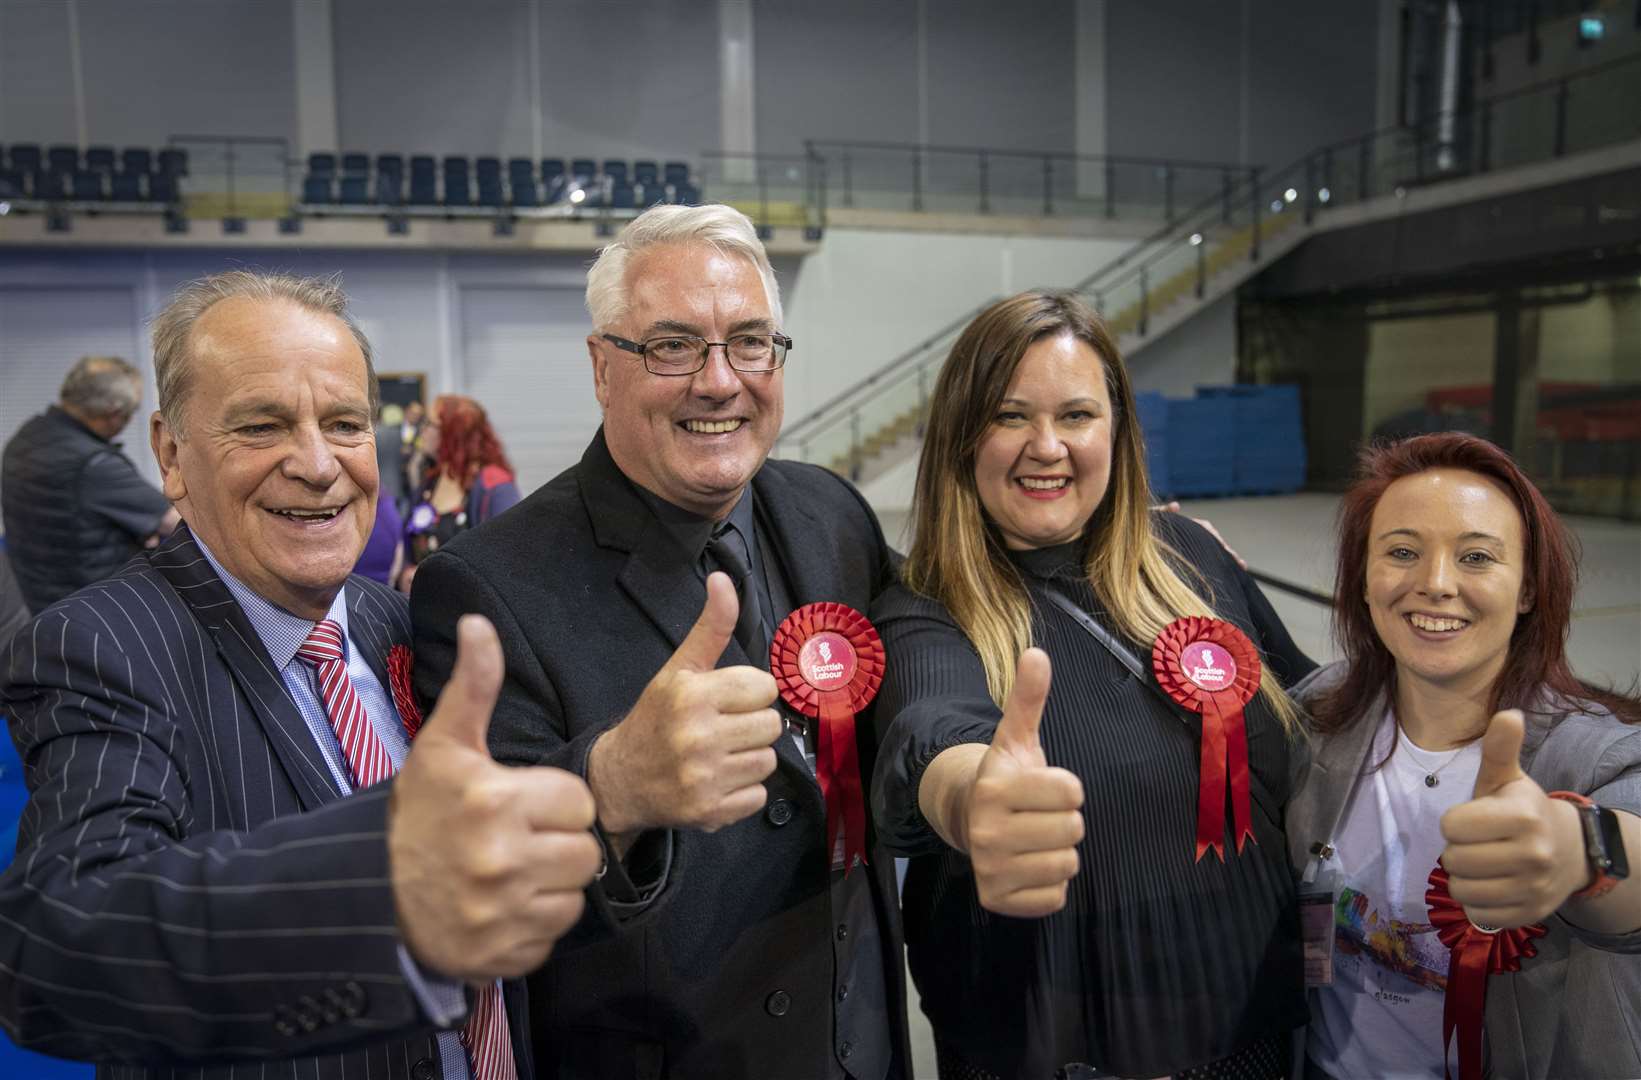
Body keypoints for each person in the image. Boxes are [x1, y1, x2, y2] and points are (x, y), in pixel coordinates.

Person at [0, 271, 602, 1080]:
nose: (318, 465)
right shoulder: (102, 645)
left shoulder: (395, 618)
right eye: (261, 426)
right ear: (171, 455)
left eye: (345, 423)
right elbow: (57, 945)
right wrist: (387, 903)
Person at [410, 204, 910, 1079]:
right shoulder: (488, 583)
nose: (720, 381)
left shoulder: (829, 514)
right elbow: (476, 873)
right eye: (672, 346)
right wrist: (608, 790)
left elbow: (931, 626)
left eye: (750, 341)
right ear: (603, 368)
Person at [870, 290, 1315, 1080]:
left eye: (1075, 415)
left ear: (1116, 430)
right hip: (1069, 1055)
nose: (1047, 446)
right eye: (1010, 416)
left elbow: (1318, 708)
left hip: (1260, 1032)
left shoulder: (1188, 557)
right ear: (960, 438)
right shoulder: (927, 607)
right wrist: (973, 799)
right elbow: (930, 735)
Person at [1287, 432, 1641, 1080]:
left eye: (1475, 557)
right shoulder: (1316, 715)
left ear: (1528, 589)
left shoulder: (1599, 754)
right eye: (1400, 552)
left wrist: (1578, 854)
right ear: (1363, 578)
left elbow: (1629, 858)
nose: (1435, 584)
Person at [1, 354, 181, 613]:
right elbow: (174, 522)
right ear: (114, 414)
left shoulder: (26, 437)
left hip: (38, 596)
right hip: (94, 605)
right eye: (131, 412)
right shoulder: (92, 463)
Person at [398, 395, 520, 593]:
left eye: (430, 424)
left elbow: (508, 559)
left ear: (453, 433)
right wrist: (407, 572)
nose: (423, 430)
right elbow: (408, 539)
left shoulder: (494, 484)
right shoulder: (431, 480)